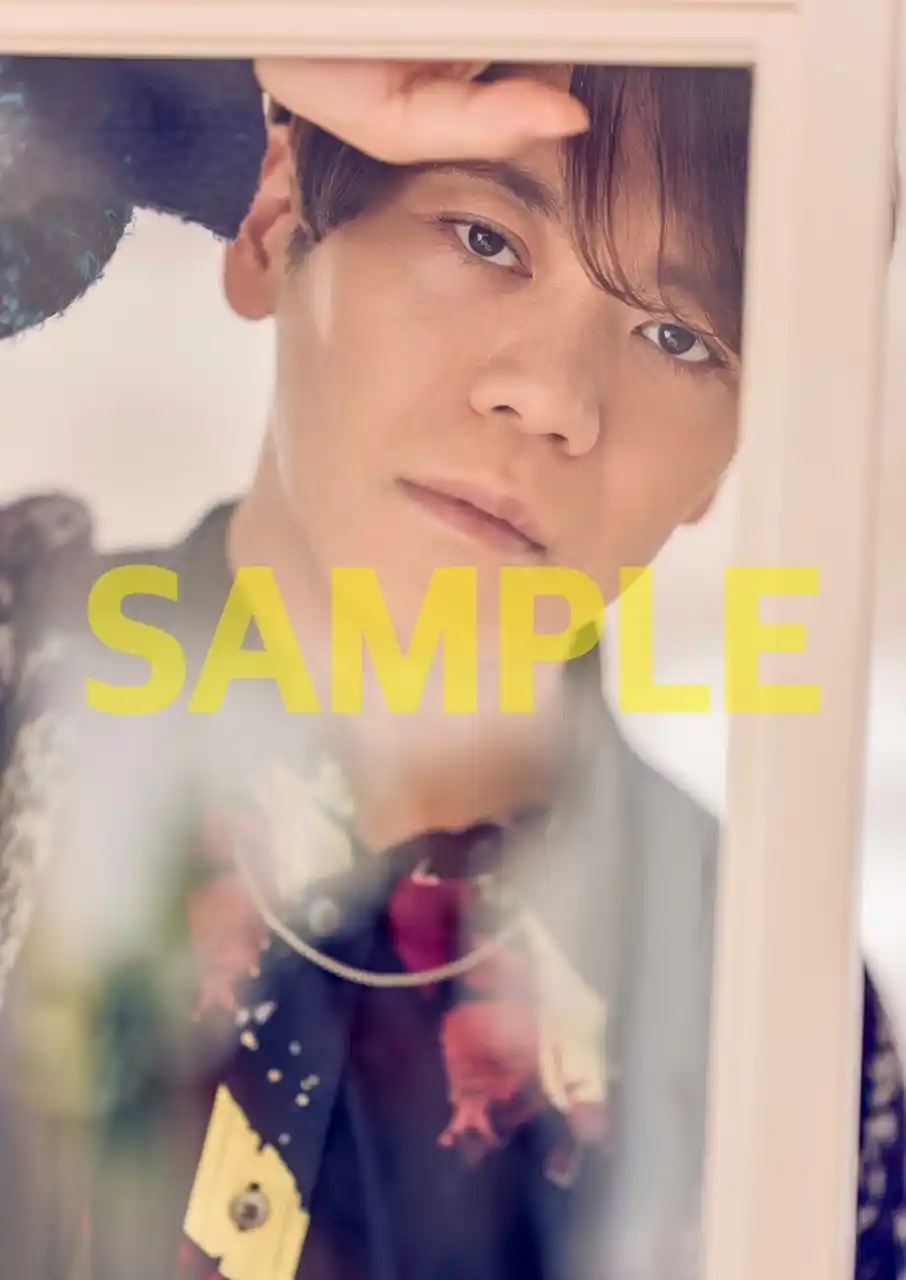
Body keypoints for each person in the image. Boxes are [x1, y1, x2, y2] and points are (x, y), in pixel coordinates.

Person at [0, 55, 902, 1280]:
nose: (551, 397)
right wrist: (205, 80)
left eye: (677, 335)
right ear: (273, 221)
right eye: (484, 238)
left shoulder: (767, 1007)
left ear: (733, 451)